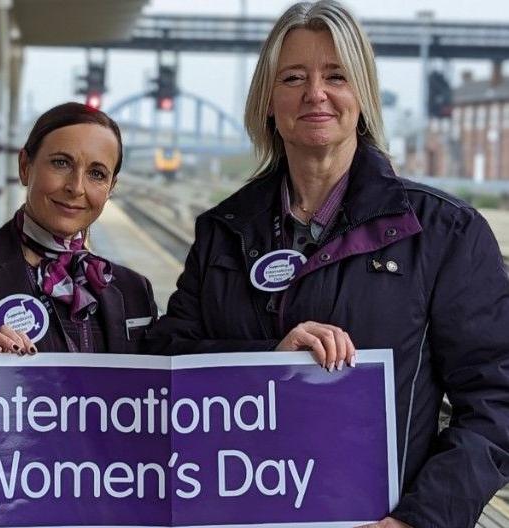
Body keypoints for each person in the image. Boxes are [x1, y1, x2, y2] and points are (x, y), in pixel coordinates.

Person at [146, 1, 509, 527]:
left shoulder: (444, 232)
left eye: (336, 75)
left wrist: (419, 519)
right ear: (268, 101)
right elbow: (166, 363)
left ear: (361, 93)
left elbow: (495, 398)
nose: (315, 93)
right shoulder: (223, 231)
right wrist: (269, 358)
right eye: (293, 77)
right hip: (238, 512)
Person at [0, 102, 157, 354]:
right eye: (61, 163)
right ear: (25, 166)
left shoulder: (134, 291)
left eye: (97, 174)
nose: (76, 187)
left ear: (111, 187)